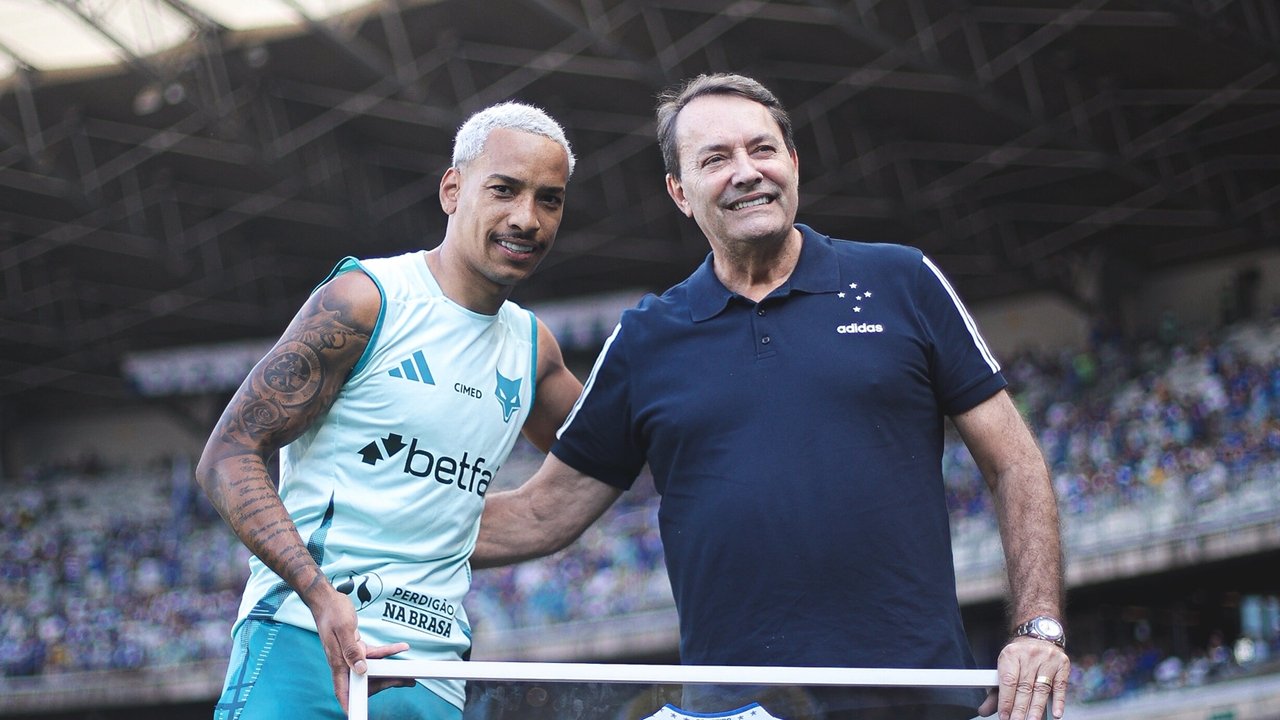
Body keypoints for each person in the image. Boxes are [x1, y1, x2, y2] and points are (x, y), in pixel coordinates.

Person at [473, 74, 1070, 720]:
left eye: (762, 150)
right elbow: (541, 514)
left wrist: (1037, 629)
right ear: (680, 192)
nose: (746, 172)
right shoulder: (646, 338)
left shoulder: (901, 281)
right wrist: (367, 542)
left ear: (793, 163)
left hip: (916, 701)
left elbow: (1015, 461)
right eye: (715, 159)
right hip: (736, 712)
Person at [196, 101, 584, 719]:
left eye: (550, 199)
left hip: (431, 676)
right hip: (305, 642)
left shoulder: (533, 350)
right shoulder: (367, 302)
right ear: (452, 190)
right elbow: (227, 455)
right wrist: (321, 596)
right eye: (504, 190)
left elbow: (609, 452)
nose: (526, 219)